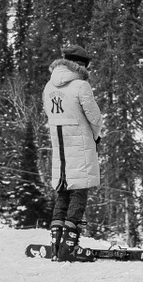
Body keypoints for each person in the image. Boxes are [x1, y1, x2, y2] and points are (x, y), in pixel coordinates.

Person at [43, 48, 104, 260]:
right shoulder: (81, 85)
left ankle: (56, 243)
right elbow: (94, 117)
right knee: (79, 191)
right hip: (80, 144)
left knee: (63, 192)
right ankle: (70, 245)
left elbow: (49, 114)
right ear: (81, 65)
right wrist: (95, 136)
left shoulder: (49, 86)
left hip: (59, 146)